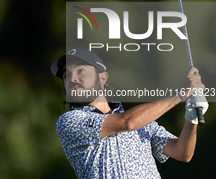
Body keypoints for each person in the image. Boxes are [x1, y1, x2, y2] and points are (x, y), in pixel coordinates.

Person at [50, 48, 209, 179]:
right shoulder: (69, 121)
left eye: (80, 70)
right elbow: (127, 122)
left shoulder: (143, 120)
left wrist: (191, 118)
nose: (73, 79)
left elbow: (182, 152)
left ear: (103, 77)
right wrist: (181, 95)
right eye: (67, 75)